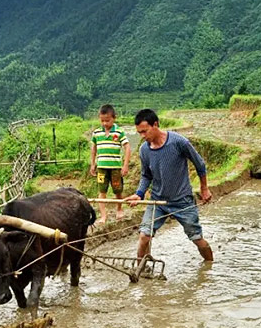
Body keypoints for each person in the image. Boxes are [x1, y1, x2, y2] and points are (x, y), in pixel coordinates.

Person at [123, 108, 214, 262]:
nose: (143, 136)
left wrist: (204, 188)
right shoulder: (144, 149)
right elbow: (146, 175)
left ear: (155, 125)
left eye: (145, 131)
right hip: (157, 201)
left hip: (182, 200)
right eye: (139, 133)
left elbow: (200, 164)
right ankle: (140, 268)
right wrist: (139, 194)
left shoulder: (179, 142)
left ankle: (209, 265)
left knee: (197, 238)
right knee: (144, 235)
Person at [89, 104, 131, 223]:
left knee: (118, 190)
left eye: (107, 120)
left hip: (115, 167)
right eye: (102, 121)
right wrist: (93, 164)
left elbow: (127, 148)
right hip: (101, 168)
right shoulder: (97, 133)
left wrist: (125, 165)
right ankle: (103, 216)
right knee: (102, 191)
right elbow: (93, 149)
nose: (105, 123)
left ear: (114, 118)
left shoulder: (119, 132)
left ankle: (119, 209)